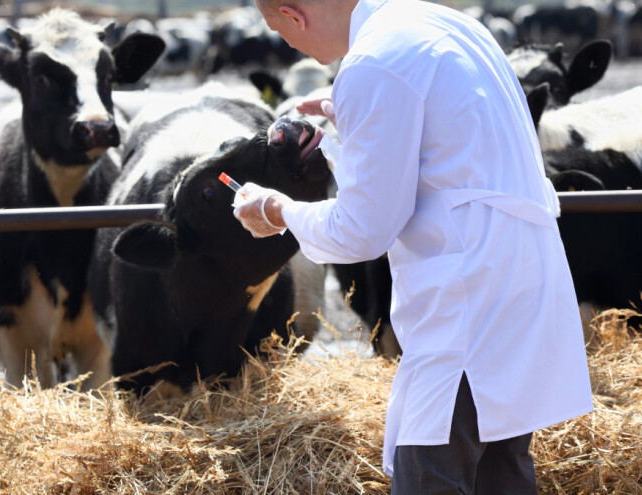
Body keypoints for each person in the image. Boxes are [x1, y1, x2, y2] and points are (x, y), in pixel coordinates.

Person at [234, 0, 595, 492]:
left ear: (293, 16)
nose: (290, 45)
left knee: (429, 474)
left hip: (466, 303)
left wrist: (278, 211)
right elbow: (448, 150)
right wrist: (351, 129)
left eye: (281, 32)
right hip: (521, 281)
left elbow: (362, 229)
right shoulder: (448, 23)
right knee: (502, 470)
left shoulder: (371, 62)